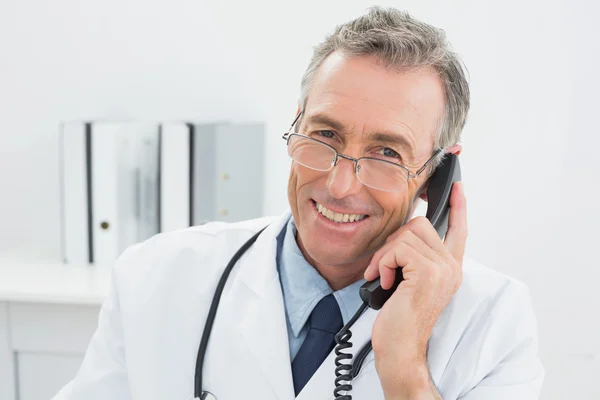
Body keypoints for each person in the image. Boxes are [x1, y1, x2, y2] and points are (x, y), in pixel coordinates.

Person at [52, 6, 544, 400]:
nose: (340, 185)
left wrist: (406, 369)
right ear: (297, 125)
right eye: (325, 134)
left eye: (386, 153)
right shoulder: (154, 276)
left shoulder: (493, 320)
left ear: (435, 176)